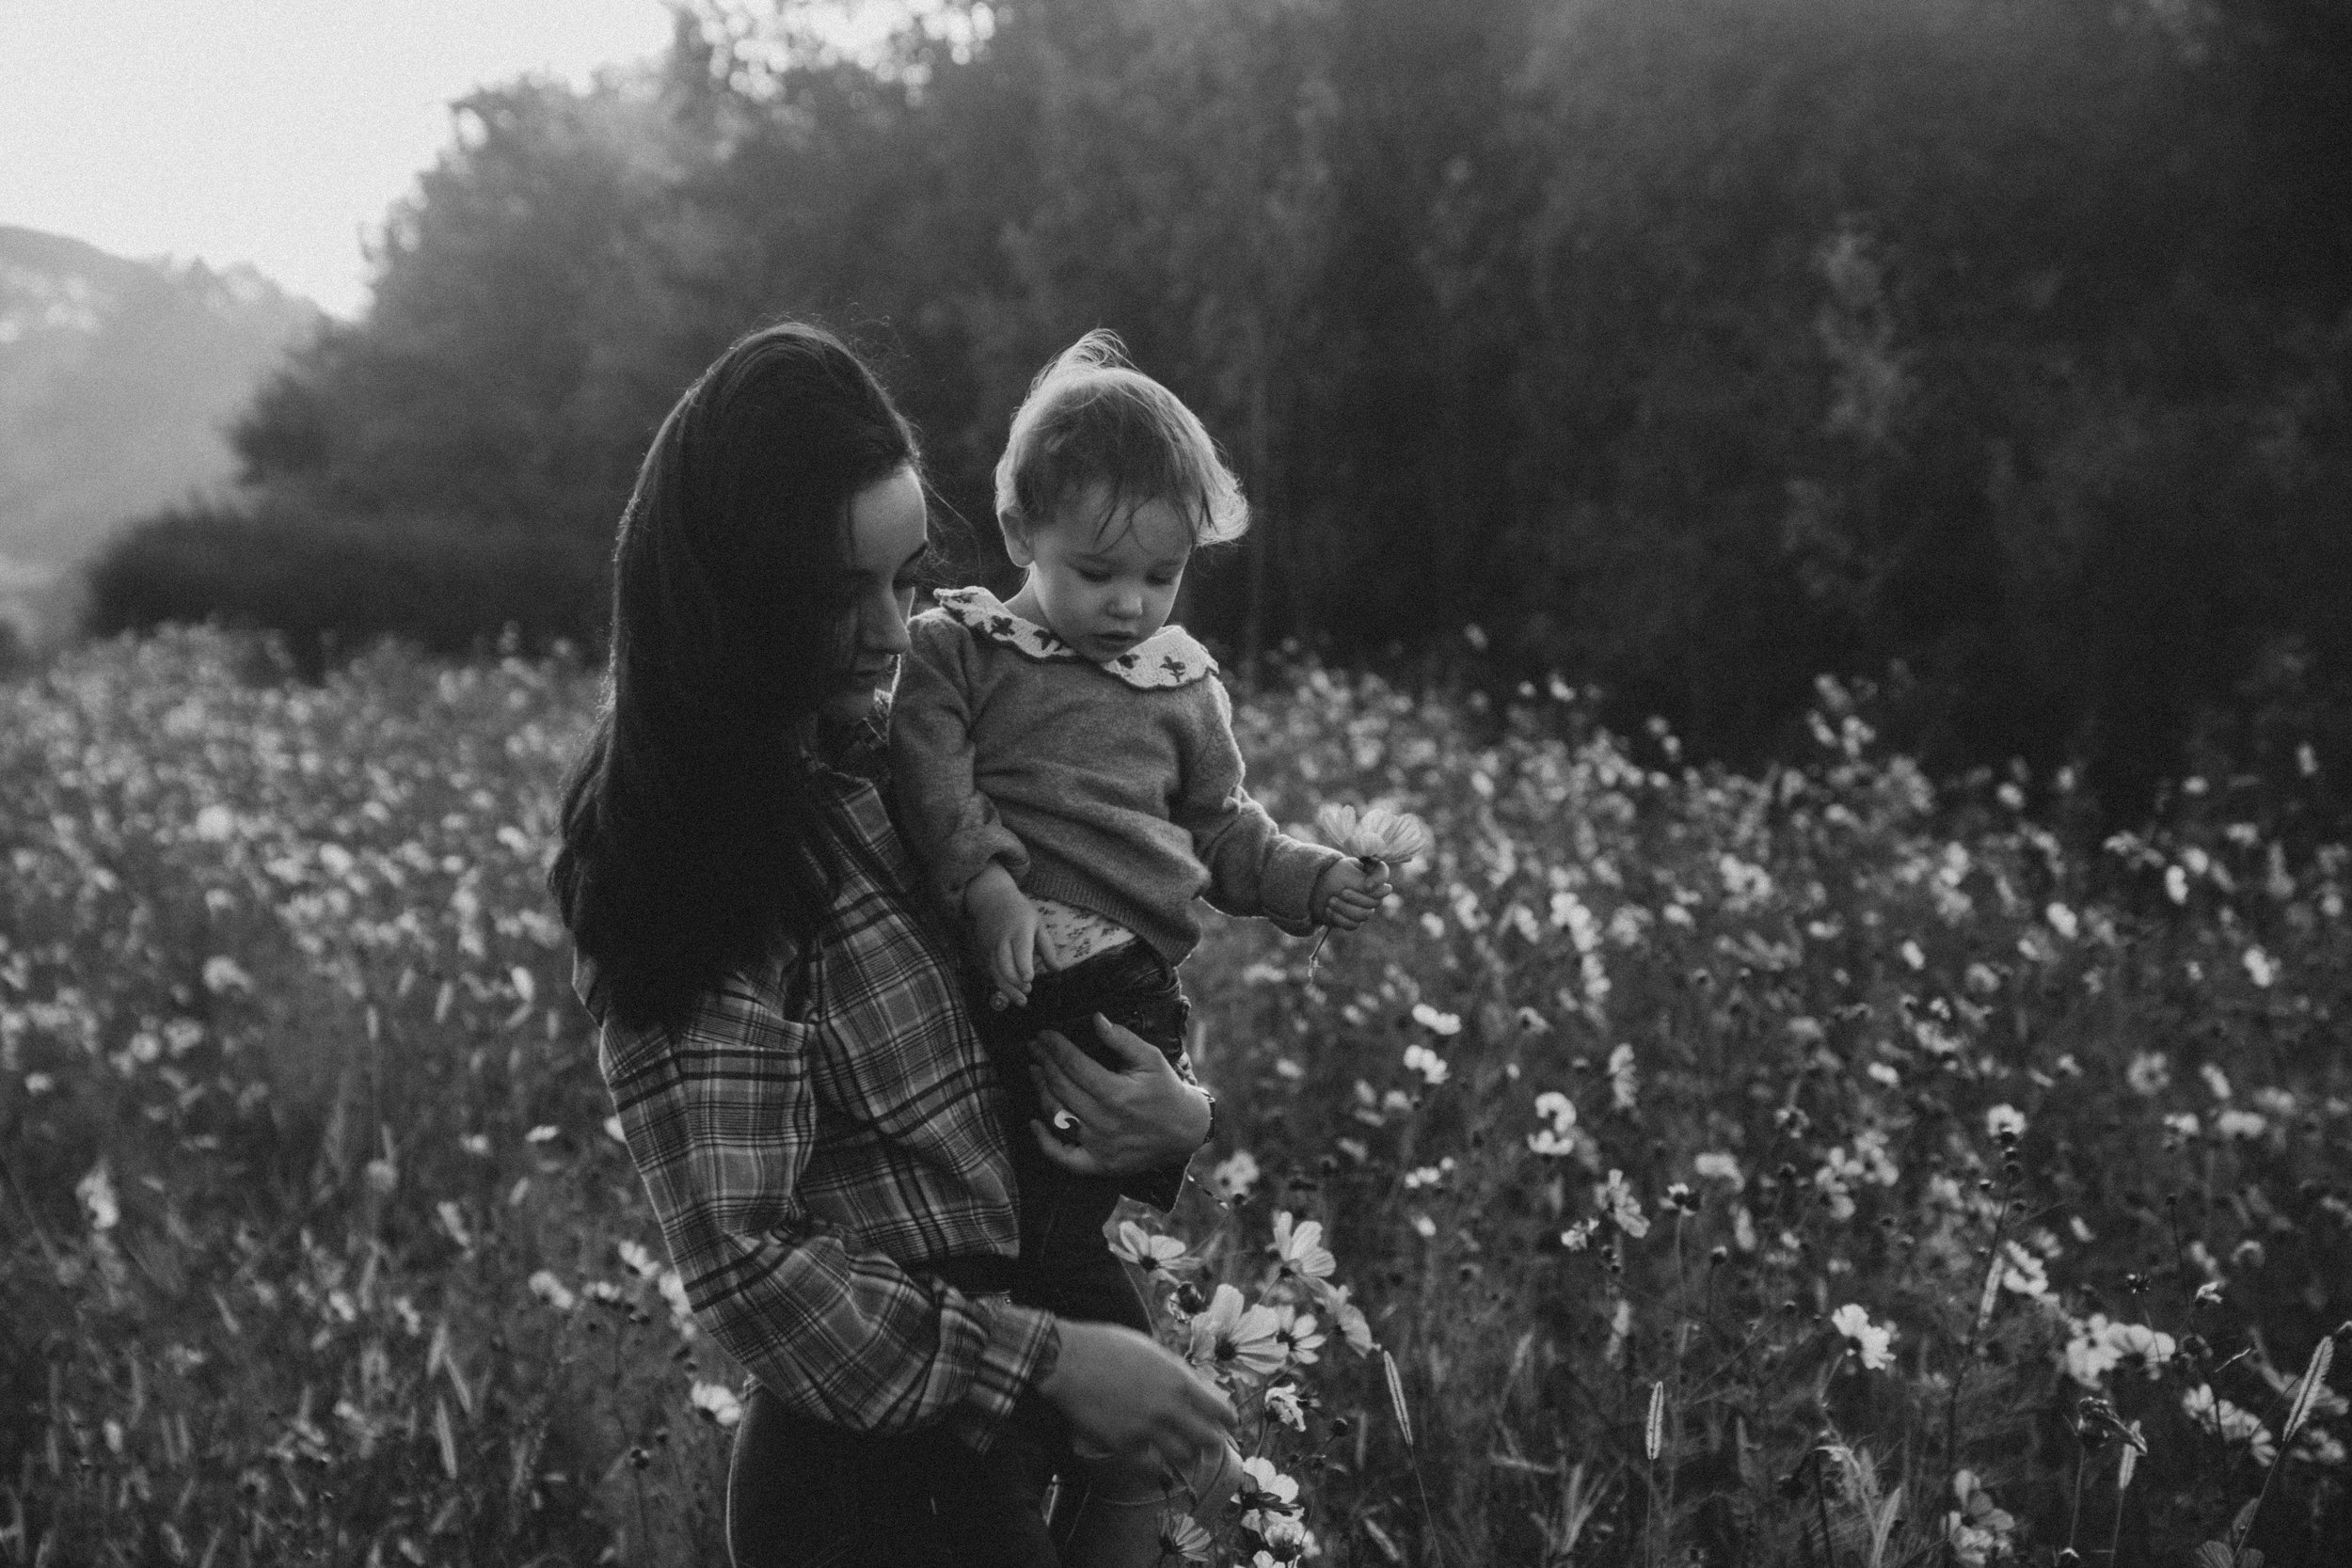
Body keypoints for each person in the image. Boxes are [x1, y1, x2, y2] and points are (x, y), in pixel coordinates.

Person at [549, 322, 1234, 1567]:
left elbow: (1045, 1015)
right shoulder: (679, 859)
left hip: (1005, 1447)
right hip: (867, 1494)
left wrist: (1171, 1117)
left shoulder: (900, 767)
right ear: (734, 593)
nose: (890, 630)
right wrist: (1052, 1360)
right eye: (838, 595)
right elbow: (748, 1266)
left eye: (907, 580)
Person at [889, 330, 1390, 1564]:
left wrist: (1307, 880)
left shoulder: (1181, 683)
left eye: (1159, 576)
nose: (1127, 603)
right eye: (1097, 569)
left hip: (1128, 996)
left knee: (1058, 1241)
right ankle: (1091, 1433)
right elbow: (930, 774)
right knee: (1032, 1248)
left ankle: (1116, 1465)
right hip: (1006, 976)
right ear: (1019, 531)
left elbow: (1222, 824)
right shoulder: (963, 647)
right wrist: (990, 886)